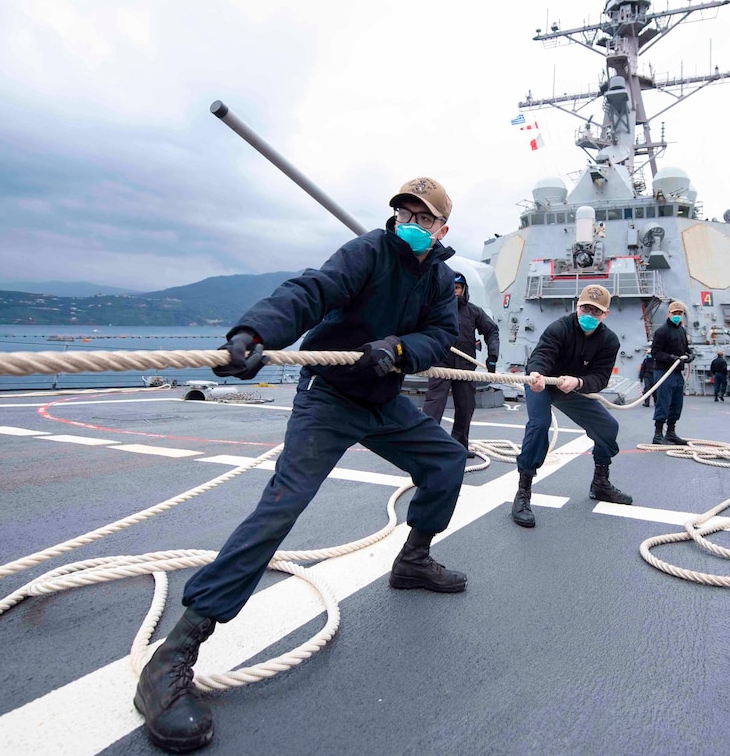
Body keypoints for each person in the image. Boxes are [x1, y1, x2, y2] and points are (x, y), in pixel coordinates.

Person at [134, 177, 469, 753]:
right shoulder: (369, 251)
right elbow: (314, 290)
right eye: (403, 212)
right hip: (331, 397)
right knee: (281, 507)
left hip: (382, 400)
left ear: (442, 229)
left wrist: (401, 348)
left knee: (446, 460)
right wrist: (254, 332)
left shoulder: (438, 278)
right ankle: (174, 654)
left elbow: (440, 335)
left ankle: (414, 560)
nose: (410, 222)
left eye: (423, 216)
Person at [510, 284, 630, 528]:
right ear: (577, 306)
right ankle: (523, 492)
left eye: (595, 311)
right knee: (539, 426)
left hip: (574, 387)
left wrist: (579, 382)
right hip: (541, 383)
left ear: (605, 314)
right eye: (585, 308)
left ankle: (600, 484)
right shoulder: (559, 328)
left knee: (608, 428)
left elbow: (601, 377)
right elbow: (542, 355)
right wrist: (536, 375)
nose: (589, 314)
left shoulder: (609, 341)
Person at [423, 271, 500, 458]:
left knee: (466, 407)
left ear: (463, 290)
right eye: (451, 288)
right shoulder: (436, 310)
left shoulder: (474, 312)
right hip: (441, 364)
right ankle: (425, 447)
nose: (454, 292)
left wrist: (492, 356)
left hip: (466, 366)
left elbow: (492, 331)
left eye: (457, 288)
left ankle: (459, 446)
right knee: (434, 405)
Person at [649, 300, 692, 445]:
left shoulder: (682, 331)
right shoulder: (662, 331)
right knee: (663, 402)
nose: (677, 316)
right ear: (669, 314)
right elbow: (655, 352)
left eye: (680, 314)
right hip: (663, 372)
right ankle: (658, 434)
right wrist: (670, 358)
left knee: (676, 403)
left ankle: (671, 432)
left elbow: (686, 348)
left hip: (677, 372)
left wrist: (690, 355)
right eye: (675, 313)